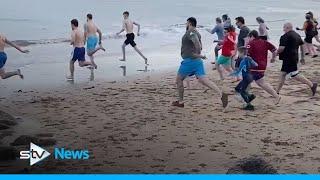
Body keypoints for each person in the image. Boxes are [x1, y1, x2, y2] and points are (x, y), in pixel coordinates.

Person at [172, 17, 228, 109]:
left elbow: (197, 44)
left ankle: (181, 102)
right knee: (204, 80)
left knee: (179, 80)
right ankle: (221, 94)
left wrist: (197, 53)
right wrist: (198, 55)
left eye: (186, 23)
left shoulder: (191, 32)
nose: (186, 25)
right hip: (197, 61)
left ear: (189, 23)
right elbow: (200, 46)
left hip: (189, 61)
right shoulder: (197, 33)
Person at [276, 23, 317, 96]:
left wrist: (276, 53)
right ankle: (277, 92)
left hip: (288, 59)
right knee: (283, 74)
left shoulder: (285, 36)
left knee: (294, 74)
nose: (283, 29)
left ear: (287, 28)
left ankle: (312, 85)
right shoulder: (297, 35)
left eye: (284, 28)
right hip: (294, 57)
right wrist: (302, 57)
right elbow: (302, 46)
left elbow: (281, 48)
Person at [247, 30, 282, 104]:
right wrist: (273, 58)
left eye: (249, 37)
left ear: (252, 36)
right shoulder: (264, 42)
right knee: (259, 82)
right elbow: (274, 50)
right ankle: (247, 98)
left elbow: (248, 56)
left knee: (259, 83)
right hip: (262, 65)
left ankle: (247, 99)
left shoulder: (251, 43)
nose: (249, 39)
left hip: (254, 67)